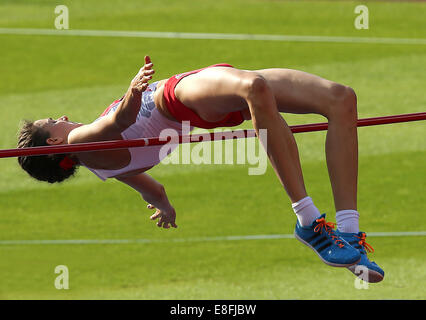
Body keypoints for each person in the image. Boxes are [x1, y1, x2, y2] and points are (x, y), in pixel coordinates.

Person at [17, 56, 384, 283]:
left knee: (341, 99)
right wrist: (132, 92)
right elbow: (116, 123)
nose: (63, 117)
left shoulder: (106, 169)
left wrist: (164, 206)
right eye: (53, 121)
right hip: (175, 98)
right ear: (54, 144)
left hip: (201, 101)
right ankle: (307, 219)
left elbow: (152, 190)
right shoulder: (81, 142)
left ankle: (349, 234)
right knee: (254, 85)